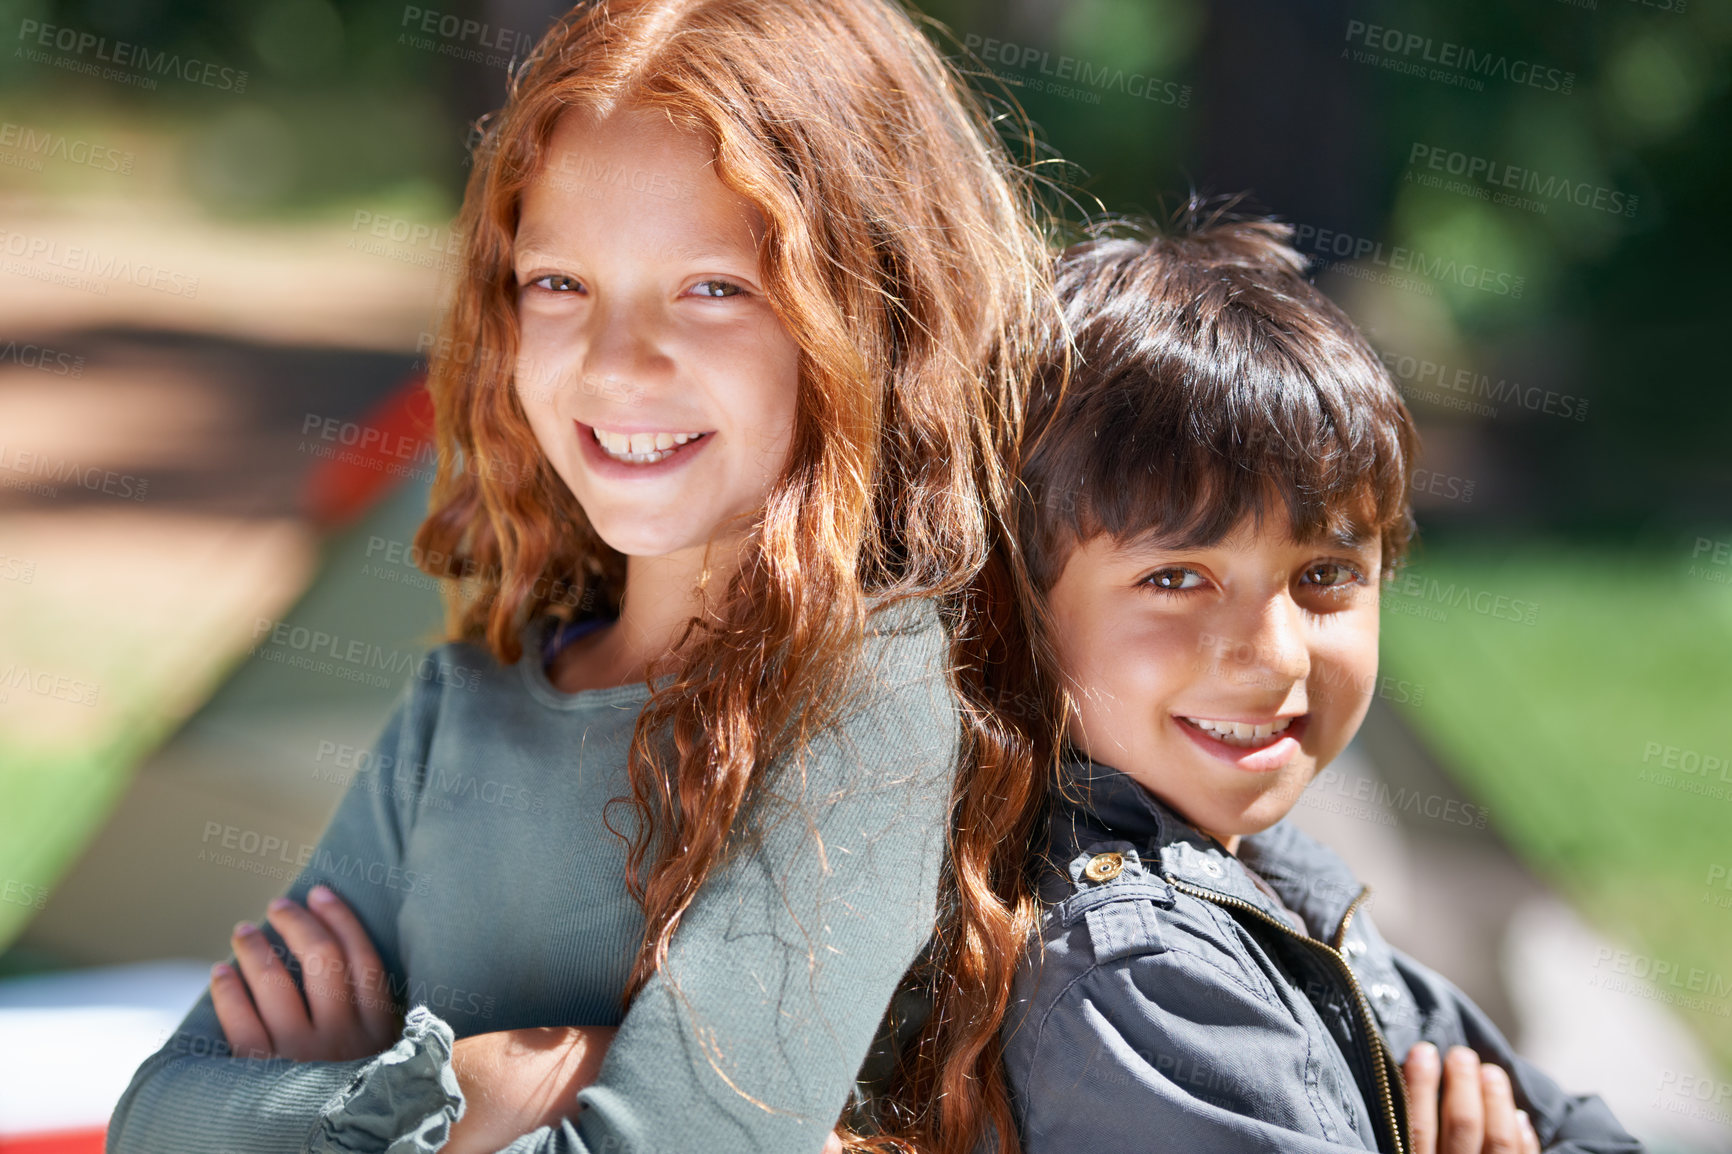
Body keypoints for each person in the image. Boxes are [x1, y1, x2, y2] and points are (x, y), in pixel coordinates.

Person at [103, 1, 1059, 1151]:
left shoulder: (866, 702)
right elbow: (156, 1118)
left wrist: (350, 1104)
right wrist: (459, 1090)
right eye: (557, 282)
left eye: (714, 285)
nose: (616, 360)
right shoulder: (461, 709)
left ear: (875, 312)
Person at [996, 204, 1644, 1154]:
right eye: (1176, 578)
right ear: (1020, 599)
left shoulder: (1266, 875)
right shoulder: (1135, 973)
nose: (1279, 656)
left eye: (1325, 576)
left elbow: (1575, 1128)